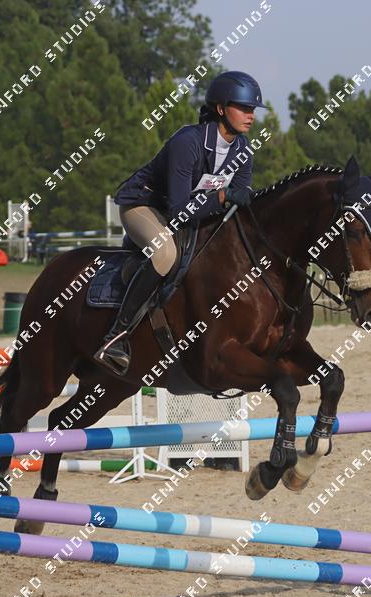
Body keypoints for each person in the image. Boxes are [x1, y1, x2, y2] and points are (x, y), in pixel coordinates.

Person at [95, 71, 264, 374]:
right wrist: (223, 196)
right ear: (221, 109)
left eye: (252, 109)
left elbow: (239, 201)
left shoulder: (243, 151)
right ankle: (116, 336)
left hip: (188, 211)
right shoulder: (188, 142)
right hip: (144, 205)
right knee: (164, 254)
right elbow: (179, 212)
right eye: (243, 107)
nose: (250, 115)